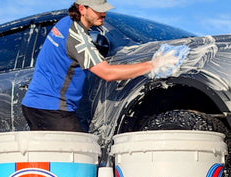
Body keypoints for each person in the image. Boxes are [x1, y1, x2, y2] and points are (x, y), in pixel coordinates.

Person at [21, 0, 172, 131]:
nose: (104, 13)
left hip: (39, 105)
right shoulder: (77, 37)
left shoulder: (65, 23)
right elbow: (107, 73)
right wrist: (153, 65)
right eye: (98, 9)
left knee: (59, 157)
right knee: (78, 158)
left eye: (104, 8)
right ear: (82, 9)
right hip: (51, 108)